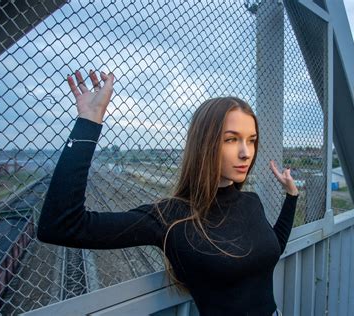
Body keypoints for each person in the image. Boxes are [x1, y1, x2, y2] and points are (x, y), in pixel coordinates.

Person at [37, 69, 299, 316]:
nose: (246, 152)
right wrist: (89, 122)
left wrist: (291, 197)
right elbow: (61, 225)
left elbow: (273, 248)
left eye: (251, 140)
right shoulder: (170, 217)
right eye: (231, 139)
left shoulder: (251, 203)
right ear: (204, 144)